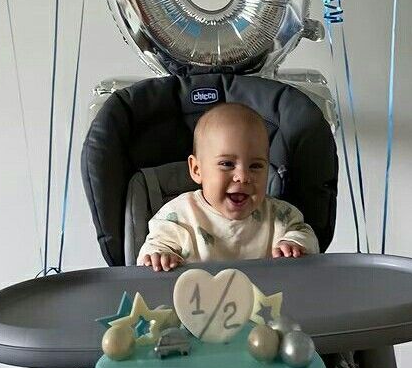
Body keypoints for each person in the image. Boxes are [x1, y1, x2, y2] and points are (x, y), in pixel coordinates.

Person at [137, 102, 319, 272]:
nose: (243, 177)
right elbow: (151, 252)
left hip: (267, 301)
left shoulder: (280, 216)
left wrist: (294, 243)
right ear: (196, 169)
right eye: (227, 164)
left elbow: (306, 236)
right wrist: (160, 257)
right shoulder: (179, 216)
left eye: (255, 166)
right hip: (195, 302)